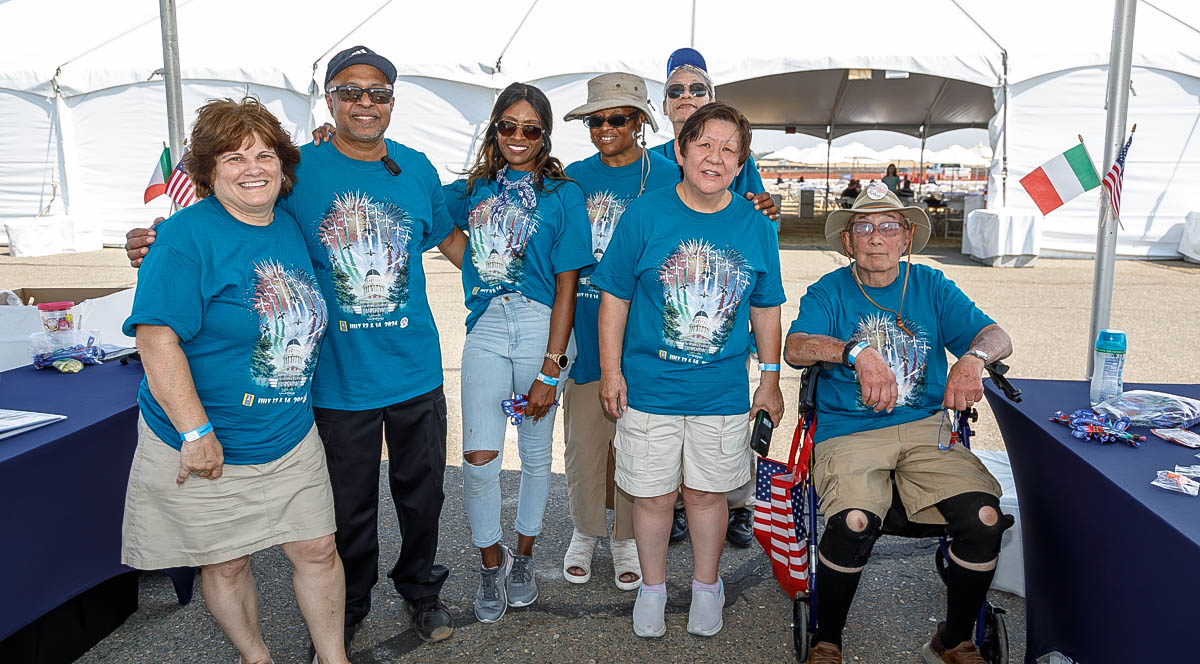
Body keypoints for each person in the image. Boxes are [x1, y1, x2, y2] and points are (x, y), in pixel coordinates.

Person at [125, 46, 464, 649]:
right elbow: (230, 216)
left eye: (377, 92)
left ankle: (421, 593)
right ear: (329, 99)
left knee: (424, 497)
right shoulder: (296, 173)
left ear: (392, 100)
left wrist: (513, 294)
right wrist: (156, 242)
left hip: (415, 371)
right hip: (335, 381)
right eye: (350, 90)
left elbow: (448, 240)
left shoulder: (415, 168)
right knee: (343, 515)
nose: (365, 102)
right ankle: (349, 608)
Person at [120, 97, 348, 664]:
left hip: (289, 429)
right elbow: (156, 339)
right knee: (226, 560)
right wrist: (196, 433)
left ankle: (334, 658)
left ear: (283, 165)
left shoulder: (290, 224)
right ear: (208, 171)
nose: (253, 168)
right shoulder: (184, 238)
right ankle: (256, 657)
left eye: (264, 154)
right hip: (208, 437)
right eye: (234, 157)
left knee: (318, 548)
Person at [783, 183, 1013, 664]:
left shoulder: (930, 284)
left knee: (985, 518)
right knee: (853, 521)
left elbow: (996, 335)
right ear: (848, 242)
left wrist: (972, 358)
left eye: (889, 226)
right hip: (849, 432)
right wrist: (854, 351)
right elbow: (796, 346)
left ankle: (953, 640)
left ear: (907, 237)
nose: (876, 237)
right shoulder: (829, 291)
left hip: (925, 428)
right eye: (863, 227)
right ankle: (827, 639)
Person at [592, 101, 786, 638]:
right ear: (680, 151)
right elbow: (614, 299)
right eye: (704, 145)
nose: (715, 157)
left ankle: (707, 585)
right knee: (652, 495)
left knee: (707, 493)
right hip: (649, 388)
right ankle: (652, 588)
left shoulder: (755, 226)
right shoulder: (645, 214)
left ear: (742, 161)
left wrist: (770, 379)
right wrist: (612, 372)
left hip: (720, 392)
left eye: (729, 149)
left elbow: (765, 306)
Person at [442, 82, 594, 624]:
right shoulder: (473, 189)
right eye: (508, 126)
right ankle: (490, 562)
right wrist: (478, 267)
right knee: (479, 458)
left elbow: (568, 284)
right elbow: (429, 214)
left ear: (545, 136)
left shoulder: (563, 194)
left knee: (534, 456)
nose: (518, 137)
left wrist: (551, 369)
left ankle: (523, 558)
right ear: (495, 129)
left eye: (531, 129)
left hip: (540, 326)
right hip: (486, 325)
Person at [654, 46, 780, 548]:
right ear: (664, 105)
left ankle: (740, 504)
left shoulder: (731, 154)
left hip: (724, 299)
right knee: (671, 413)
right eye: (676, 90)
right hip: (672, 298)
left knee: (730, 406)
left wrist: (768, 208)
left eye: (697, 89)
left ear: (712, 96)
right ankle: (682, 503)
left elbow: (757, 217)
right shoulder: (654, 161)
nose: (686, 97)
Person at [559, 72, 679, 591]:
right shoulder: (572, 177)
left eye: (617, 118)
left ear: (640, 124)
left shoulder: (669, 175)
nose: (604, 128)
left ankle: (626, 538)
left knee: (637, 444)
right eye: (596, 119)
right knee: (585, 442)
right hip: (586, 329)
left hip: (648, 336)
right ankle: (585, 532)